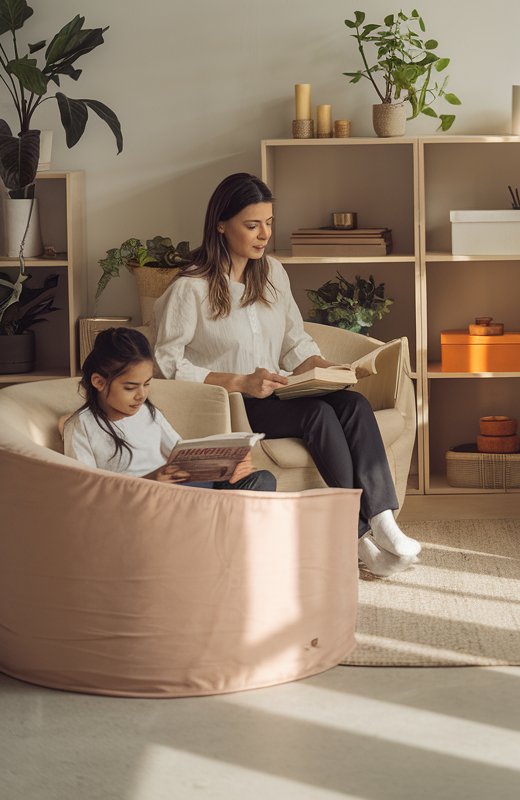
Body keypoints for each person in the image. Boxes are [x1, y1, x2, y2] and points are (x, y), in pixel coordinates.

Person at [153, 172, 420, 577]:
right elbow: (167, 364)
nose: (264, 234)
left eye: (269, 223)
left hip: (281, 389)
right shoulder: (191, 288)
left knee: (351, 404)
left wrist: (324, 367)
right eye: (252, 224)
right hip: (236, 403)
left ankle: (381, 520)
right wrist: (238, 381)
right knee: (318, 416)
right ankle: (357, 538)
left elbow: (295, 341)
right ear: (221, 225)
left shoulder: (273, 273)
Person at [65, 326, 276, 491]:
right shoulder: (82, 426)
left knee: (262, 480)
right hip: (146, 501)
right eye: (130, 387)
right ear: (99, 382)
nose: (141, 395)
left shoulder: (148, 412)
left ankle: (221, 521)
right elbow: (86, 491)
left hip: (188, 491)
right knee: (233, 502)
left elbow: (182, 454)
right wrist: (151, 480)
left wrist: (227, 468)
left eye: (147, 384)